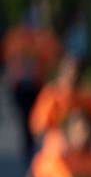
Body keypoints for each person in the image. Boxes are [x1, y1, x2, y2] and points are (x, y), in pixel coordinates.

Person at [3, 10, 62, 160]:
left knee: (34, 115)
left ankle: (35, 142)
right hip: (19, 85)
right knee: (23, 117)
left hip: (36, 84)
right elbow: (7, 60)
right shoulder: (14, 39)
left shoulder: (40, 40)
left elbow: (49, 59)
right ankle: (28, 145)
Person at [29, 52, 91, 139]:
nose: (73, 75)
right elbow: (38, 125)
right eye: (70, 71)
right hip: (58, 142)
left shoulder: (88, 93)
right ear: (62, 72)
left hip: (81, 142)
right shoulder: (52, 94)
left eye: (77, 72)